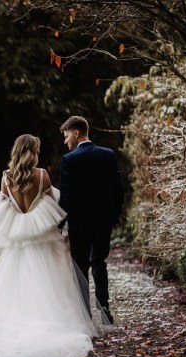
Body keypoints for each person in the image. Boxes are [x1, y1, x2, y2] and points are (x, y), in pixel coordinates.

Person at [0, 134, 108, 357]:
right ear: (32, 152)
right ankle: (48, 321)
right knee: (49, 284)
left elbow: (3, 208)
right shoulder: (43, 176)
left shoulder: (6, 178)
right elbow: (57, 205)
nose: (39, 153)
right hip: (41, 241)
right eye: (37, 149)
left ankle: (12, 323)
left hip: (16, 241)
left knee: (11, 285)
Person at [59, 116, 124, 325]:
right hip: (103, 221)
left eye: (66, 135)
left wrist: (61, 222)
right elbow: (118, 189)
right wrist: (113, 215)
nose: (65, 141)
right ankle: (104, 310)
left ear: (76, 132)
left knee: (80, 267)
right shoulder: (108, 155)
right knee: (99, 262)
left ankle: (85, 315)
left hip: (79, 223)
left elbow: (66, 198)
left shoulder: (69, 160)